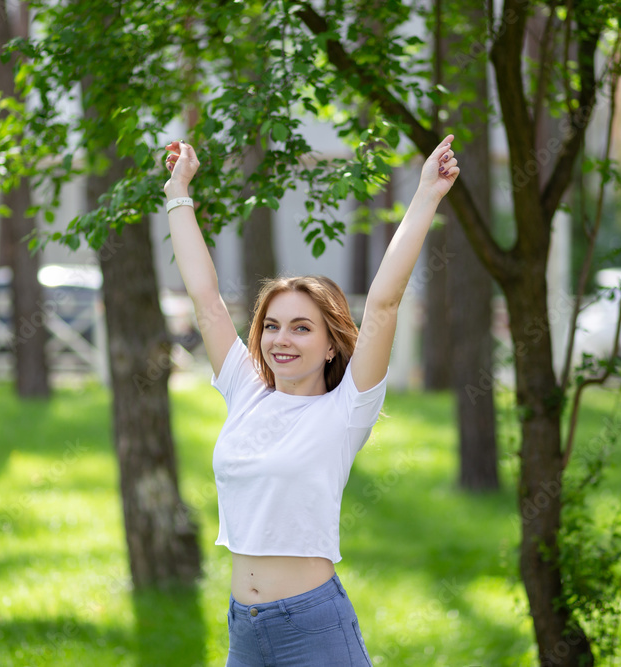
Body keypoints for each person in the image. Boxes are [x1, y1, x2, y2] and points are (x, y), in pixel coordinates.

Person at [163, 135, 460, 666]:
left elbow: (386, 303)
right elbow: (205, 296)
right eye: (272, 325)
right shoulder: (245, 388)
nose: (282, 339)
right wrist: (178, 191)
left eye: (302, 328)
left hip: (313, 630)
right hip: (244, 630)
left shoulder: (346, 410)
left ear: (330, 345)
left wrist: (427, 196)